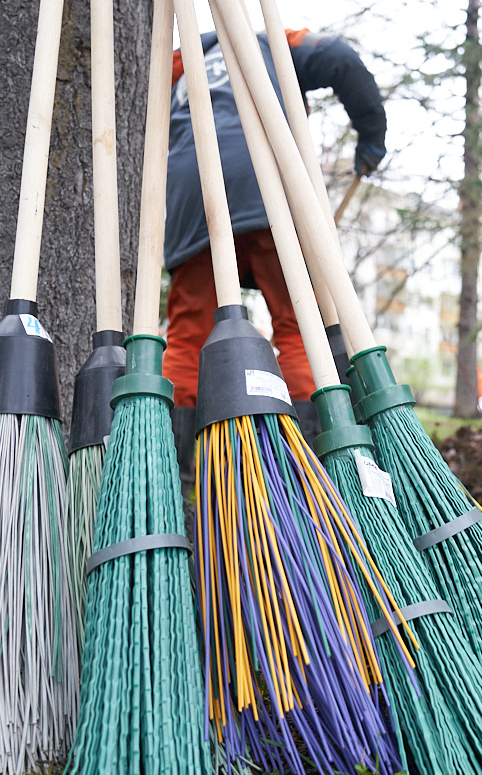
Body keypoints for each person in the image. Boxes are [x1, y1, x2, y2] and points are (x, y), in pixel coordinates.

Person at [165, 29, 386, 489]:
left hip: (191, 187)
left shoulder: (180, 59)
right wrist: (371, 134)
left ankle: (178, 467)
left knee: (189, 332)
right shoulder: (271, 40)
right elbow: (340, 56)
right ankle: (313, 460)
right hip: (269, 180)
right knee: (300, 322)